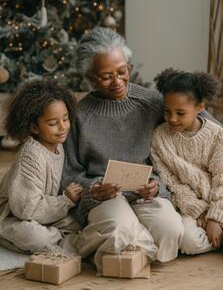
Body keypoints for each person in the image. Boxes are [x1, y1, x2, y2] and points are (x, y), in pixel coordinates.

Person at [61, 27, 185, 273]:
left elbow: (197, 114)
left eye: (122, 71)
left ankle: (123, 249)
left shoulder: (151, 101)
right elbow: (69, 173)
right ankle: (123, 246)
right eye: (106, 76)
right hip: (104, 193)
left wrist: (158, 187)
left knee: (172, 230)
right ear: (91, 78)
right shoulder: (79, 115)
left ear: (129, 65)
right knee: (121, 230)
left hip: (145, 190)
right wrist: (92, 192)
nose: (117, 82)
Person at [0, 81, 83, 254]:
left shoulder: (58, 144)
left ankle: (55, 238)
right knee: (37, 238)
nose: (63, 127)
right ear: (34, 127)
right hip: (13, 215)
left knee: (79, 223)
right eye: (53, 123)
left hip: (43, 211)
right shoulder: (31, 155)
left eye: (66, 118)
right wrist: (65, 201)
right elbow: (25, 209)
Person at [151, 68, 223, 256]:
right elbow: (172, 183)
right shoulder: (160, 137)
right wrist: (199, 211)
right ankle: (217, 238)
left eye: (181, 113)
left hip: (221, 198)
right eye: (167, 112)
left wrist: (216, 217)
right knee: (188, 242)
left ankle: (217, 231)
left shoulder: (218, 135)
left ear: (200, 107)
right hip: (190, 206)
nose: (172, 119)